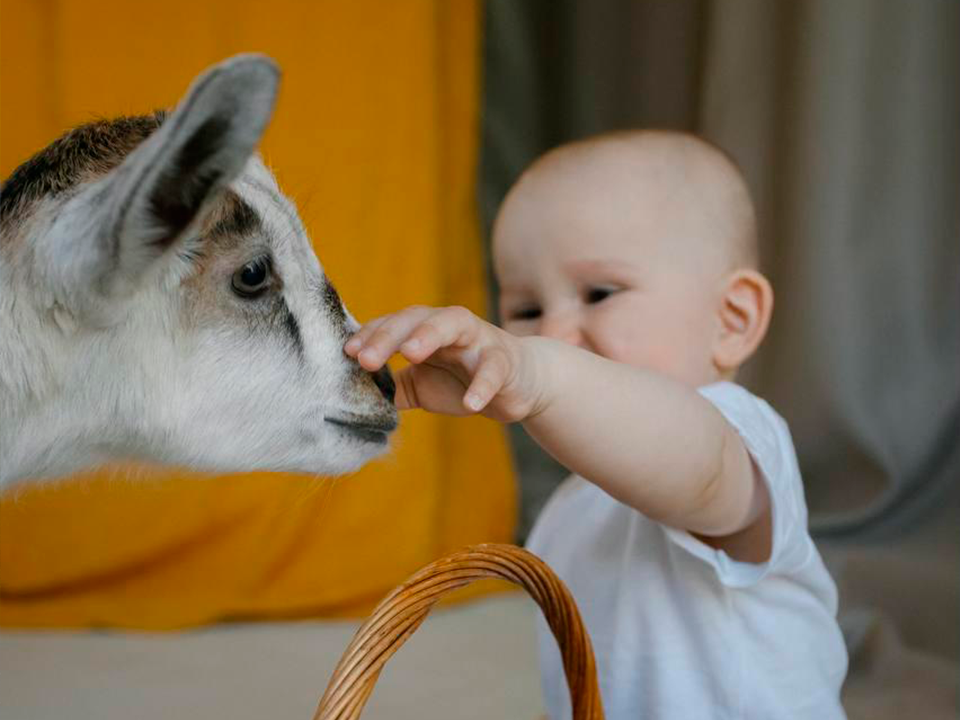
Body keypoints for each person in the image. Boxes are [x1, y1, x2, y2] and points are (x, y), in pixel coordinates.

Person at [344, 130, 847, 719]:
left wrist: (542, 375)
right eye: (526, 311)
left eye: (600, 293)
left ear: (731, 319)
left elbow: (697, 468)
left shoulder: (735, 436)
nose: (554, 336)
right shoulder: (568, 512)